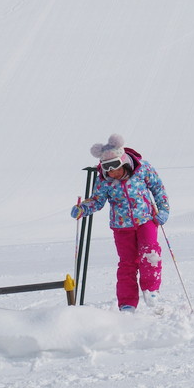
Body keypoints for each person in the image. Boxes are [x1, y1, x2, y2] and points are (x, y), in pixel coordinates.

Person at [71, 133, 169, 312]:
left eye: (115, 167)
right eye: (107, 169)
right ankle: (127, 304)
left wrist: (163, 209)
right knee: (127, 263)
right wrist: (83, 208)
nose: (113, 173)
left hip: (146, 220)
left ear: (123, 161)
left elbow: (158, 188)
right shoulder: (104, 181)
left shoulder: (143, 169)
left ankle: (151, 289)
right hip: (121, 227)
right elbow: (97, 200)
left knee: (150, 252)